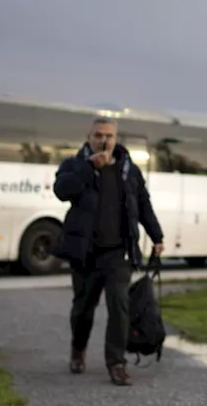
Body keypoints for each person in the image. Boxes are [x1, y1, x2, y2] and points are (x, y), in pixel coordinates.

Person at [53, 116, 164, 387]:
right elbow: (61, 190)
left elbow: (143, 204)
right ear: (89, 137)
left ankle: (116, 363)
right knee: (82, 310)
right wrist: (88, 168)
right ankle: (78, 349)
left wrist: (156, 236)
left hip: (117, 253)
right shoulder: (75, 164)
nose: (105, 140)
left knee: (120, 307)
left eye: (110, 136)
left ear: (116, 138)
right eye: (99, 135)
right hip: (85, 253)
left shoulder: (129, 169)